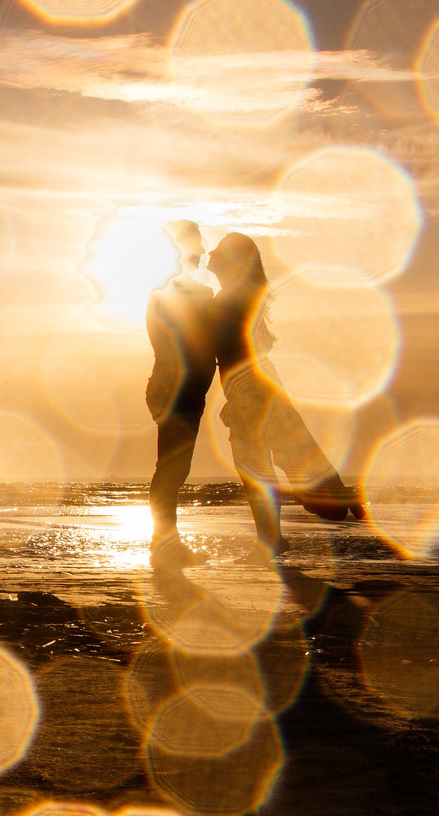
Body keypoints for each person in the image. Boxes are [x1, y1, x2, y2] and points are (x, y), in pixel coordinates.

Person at [145, 224, 359, 563]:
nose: (209, 253)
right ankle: (307, 514)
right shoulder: (233, 293)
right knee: (271, 457)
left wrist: (241, 398)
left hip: (248, 385)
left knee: (256, 464)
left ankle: (283, 530)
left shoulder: (230, 298)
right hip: (249, 383)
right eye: (205, 247)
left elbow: (214, 341)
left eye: (216, 250)